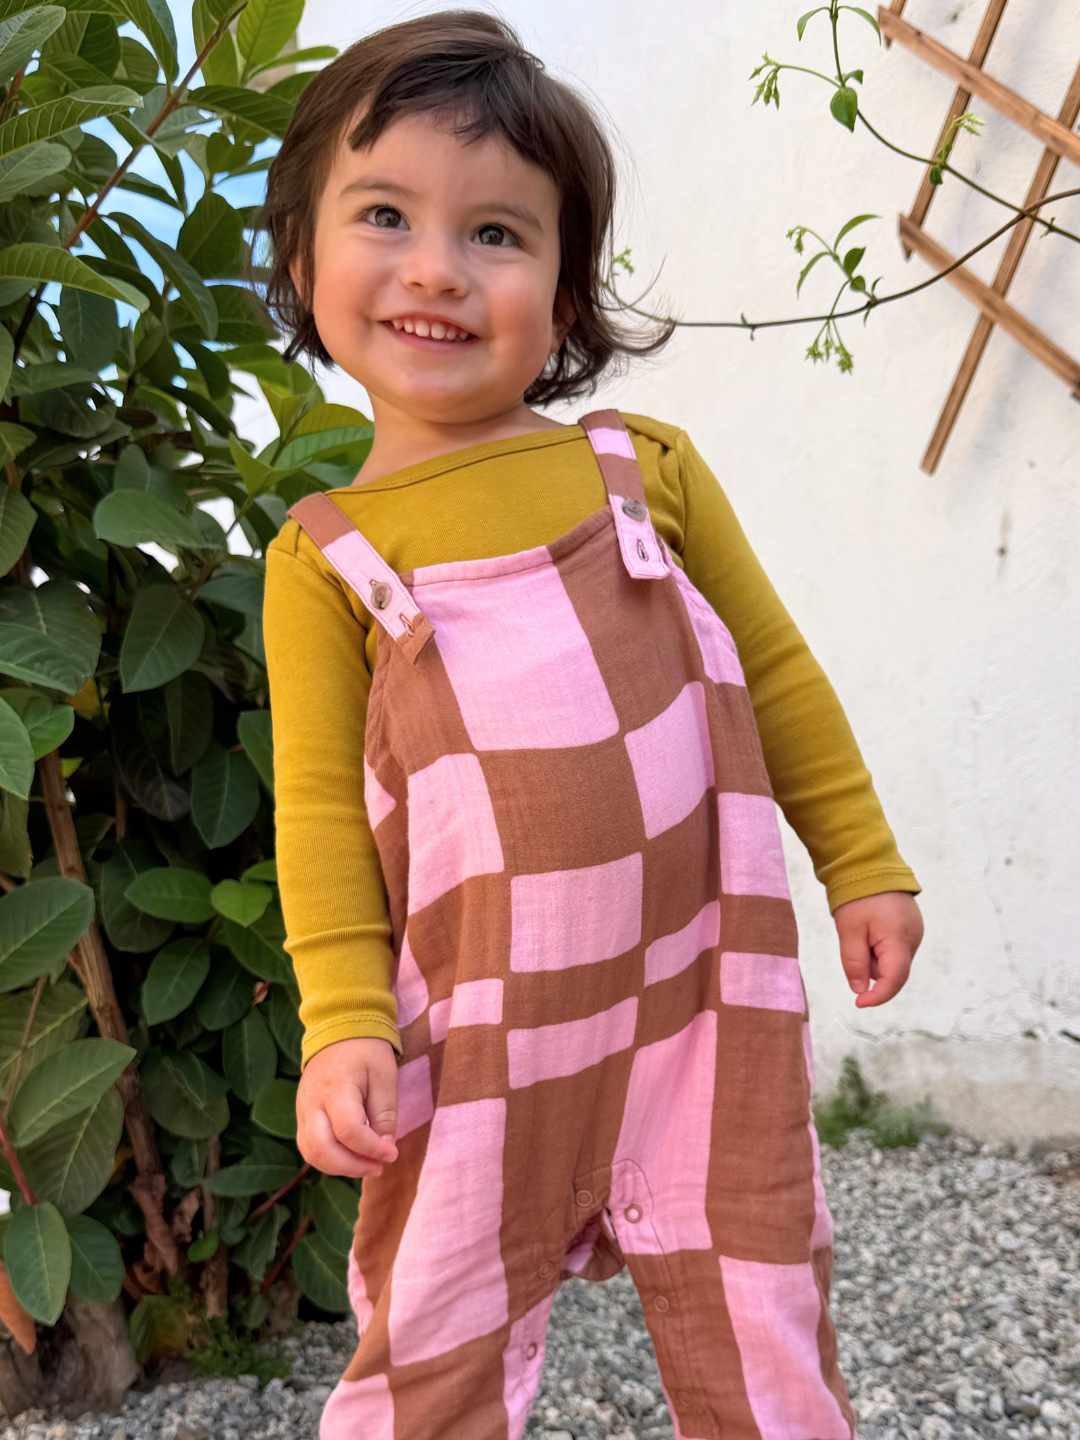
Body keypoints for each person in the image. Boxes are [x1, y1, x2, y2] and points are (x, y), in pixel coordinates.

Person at [261, 11, 924, 1438]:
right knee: (433, 1333)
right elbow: (315, 809)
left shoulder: (647, 474)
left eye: (498, 234)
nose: (438, 266)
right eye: (386, 215)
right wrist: (343, 1023)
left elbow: (783, 674)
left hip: (699, 997)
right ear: (306, 259)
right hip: (483, 1034)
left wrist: (861, 861)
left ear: (564, 297)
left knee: (761, 1294)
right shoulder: (327, 561)